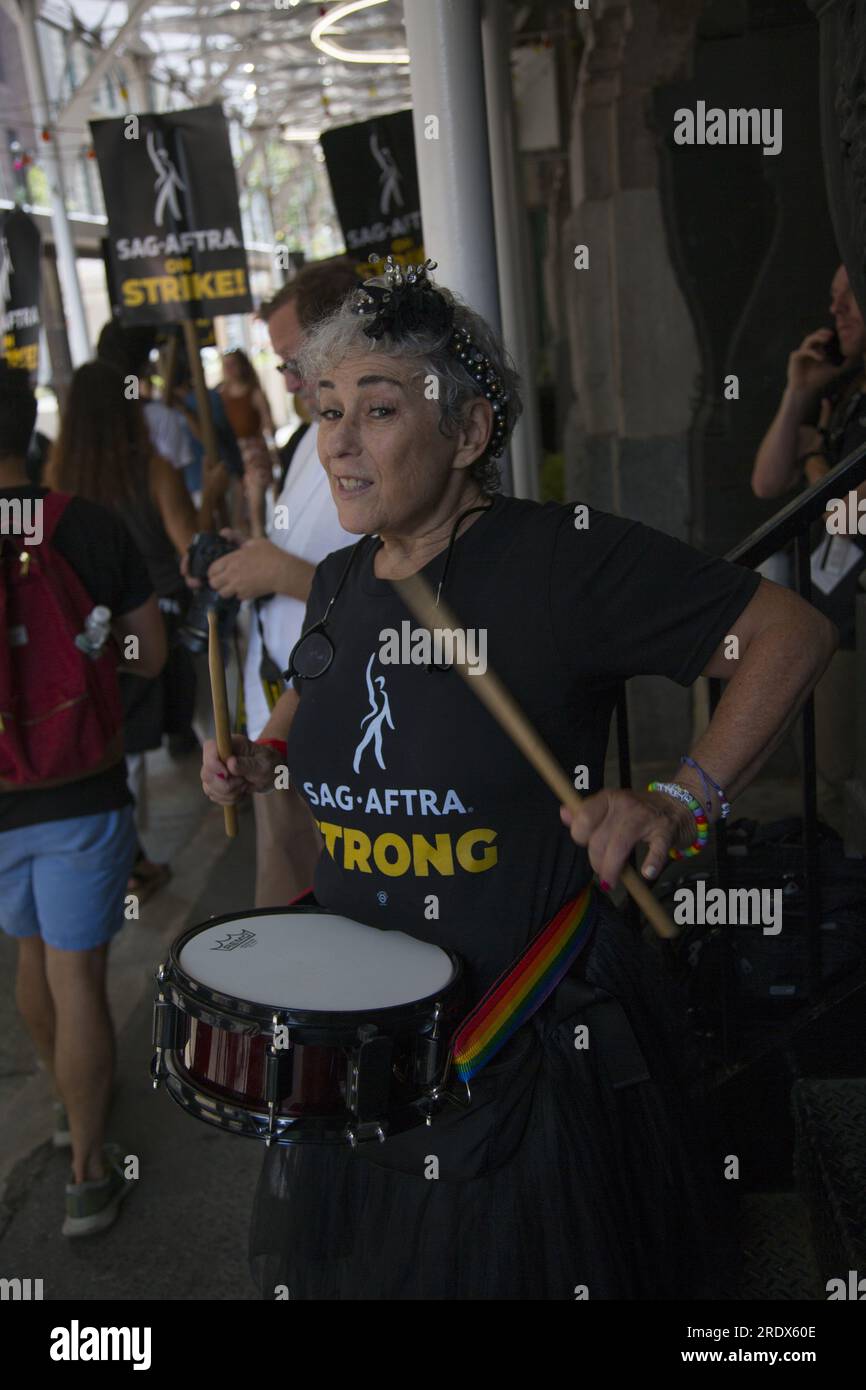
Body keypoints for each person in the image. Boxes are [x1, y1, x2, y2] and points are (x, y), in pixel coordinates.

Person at [200, 259, 836, 1300]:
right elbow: (311, 712)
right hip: (367, 1052)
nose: (340, 442)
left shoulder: (559, 563)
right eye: (325, 411)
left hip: (523, 1052)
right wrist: (257, 762)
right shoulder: (349, 579)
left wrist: (681, 795)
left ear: (465, 434)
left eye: (378, 409)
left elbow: (787, 630)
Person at [0, 362, 166, 1235]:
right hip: (81, 789)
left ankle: (71, 1106)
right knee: (79, 974)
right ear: (29, 426)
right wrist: (88, 674)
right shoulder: (84, 525)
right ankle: (89, 1176)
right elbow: (152, 654)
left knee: (29, 952)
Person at [204, 258, 360, 908]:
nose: (290, 379)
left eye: (297, 358)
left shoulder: (371, 449)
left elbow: (395, 590)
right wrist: (251, 537)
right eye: (281, 366)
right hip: (281, 712)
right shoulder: (307, 440)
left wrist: (280, 570)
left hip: (350, 727)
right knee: (285, 921)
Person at [48, 360, 228, 902]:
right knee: (211, 727)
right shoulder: (154, 470)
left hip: (95, 635)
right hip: (164, 621)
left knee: (115, 745)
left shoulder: (60, 482)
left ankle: (131, 860)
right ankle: (239, 816)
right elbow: (191, 551)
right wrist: (213, 494)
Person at [752, 262, 866, 799]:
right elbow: (768, 480)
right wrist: (797, 393)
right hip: (822, 596)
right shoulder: (842, 390)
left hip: (851, 612)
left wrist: (817, 455)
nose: (836, 309)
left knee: (844, 775)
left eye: (851, 295)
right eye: (832, 296)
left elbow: (850, 517)